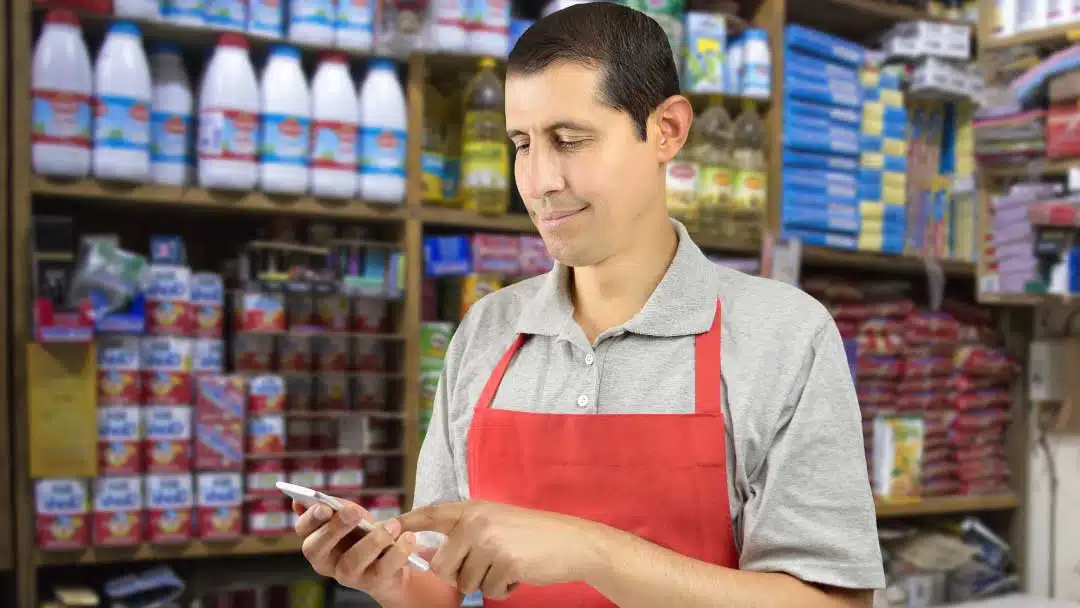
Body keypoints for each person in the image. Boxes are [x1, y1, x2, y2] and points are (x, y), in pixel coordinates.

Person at [291, 3, 886, 607]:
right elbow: (441, 587)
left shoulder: (784, 335)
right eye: (522, 143)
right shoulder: (488, 331)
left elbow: (834, 603)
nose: (539, 179)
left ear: (667, 131)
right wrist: (388, 576)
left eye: (569, 140)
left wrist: (591, 553)